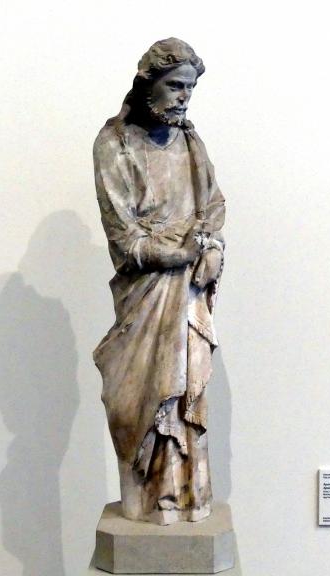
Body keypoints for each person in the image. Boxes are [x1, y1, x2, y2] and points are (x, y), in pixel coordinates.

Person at [92, 38, 226, 525]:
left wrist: (211, 249)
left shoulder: (191, 142)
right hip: (145, 292)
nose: (184, 97)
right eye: (175, 86)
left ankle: (181, 498)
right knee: (133, 401)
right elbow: (122, 233)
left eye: (190, 88)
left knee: (186, 392)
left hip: (187, 293)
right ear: (148, 84)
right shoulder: (115, 143)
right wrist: (174, 254)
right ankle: (145, 497)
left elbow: (213, 207)